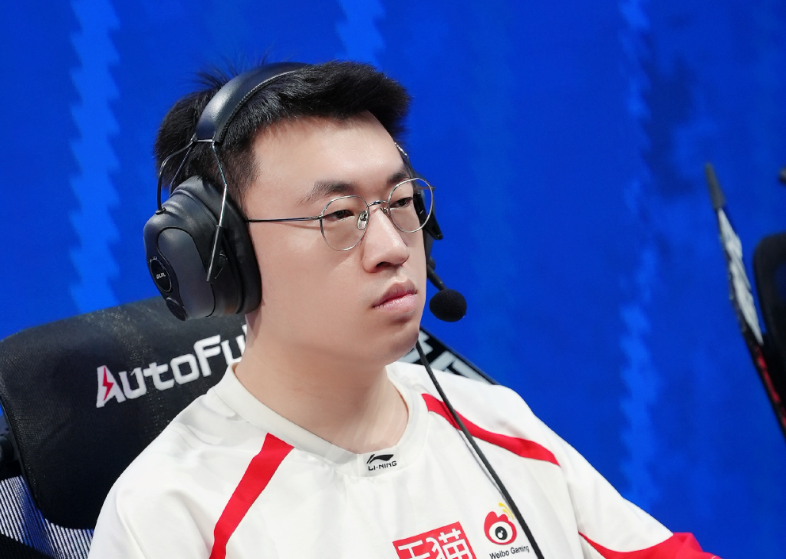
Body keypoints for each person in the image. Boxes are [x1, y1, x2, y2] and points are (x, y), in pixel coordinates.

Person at [88, 61, 719, 559]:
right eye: (339, 215)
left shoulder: (498, 423)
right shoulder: (171, 512)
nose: (393, 247)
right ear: (219, 258)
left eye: (399, 201)